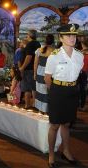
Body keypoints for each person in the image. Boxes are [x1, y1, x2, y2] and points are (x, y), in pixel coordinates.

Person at [44, 24, 83, 168]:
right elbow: (47, 78)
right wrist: (55, 92)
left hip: (72, 91)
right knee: (54, 125)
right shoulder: (54, 56)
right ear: (60, 38)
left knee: (67, 124)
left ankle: (66, 151)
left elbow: (78, 75)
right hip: (57, 91)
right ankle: (51, 155)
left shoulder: (79, 55)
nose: (72, 38)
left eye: (74, 35)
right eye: (68, 35)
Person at [19, 30, 41, 109]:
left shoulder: (29, 44)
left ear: (29, 35)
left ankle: (27, 104)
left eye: (27, 35)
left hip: (28, 69)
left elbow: (29, 57)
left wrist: (22, 67)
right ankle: (35, 104)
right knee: (34, 87)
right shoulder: (38, 44)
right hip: (35, 68)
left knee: (27, 88)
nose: (26, 36)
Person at [34, 34, 55, 114]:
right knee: (47, 92)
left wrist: (35, 74)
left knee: (40, 91)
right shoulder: (54, 51)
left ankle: (40, 110)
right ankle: (46, 111)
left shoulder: (39, 50)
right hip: (49, 73)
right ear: (53, 41)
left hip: (40, 72)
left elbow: (35, 63)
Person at [78, 38, 88, 111]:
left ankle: (81, 105)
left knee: (81, 89)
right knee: (84, 90)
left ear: (82, 44)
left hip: (81, 73)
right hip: (85, 73)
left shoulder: (80, 53)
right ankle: (83, 105)